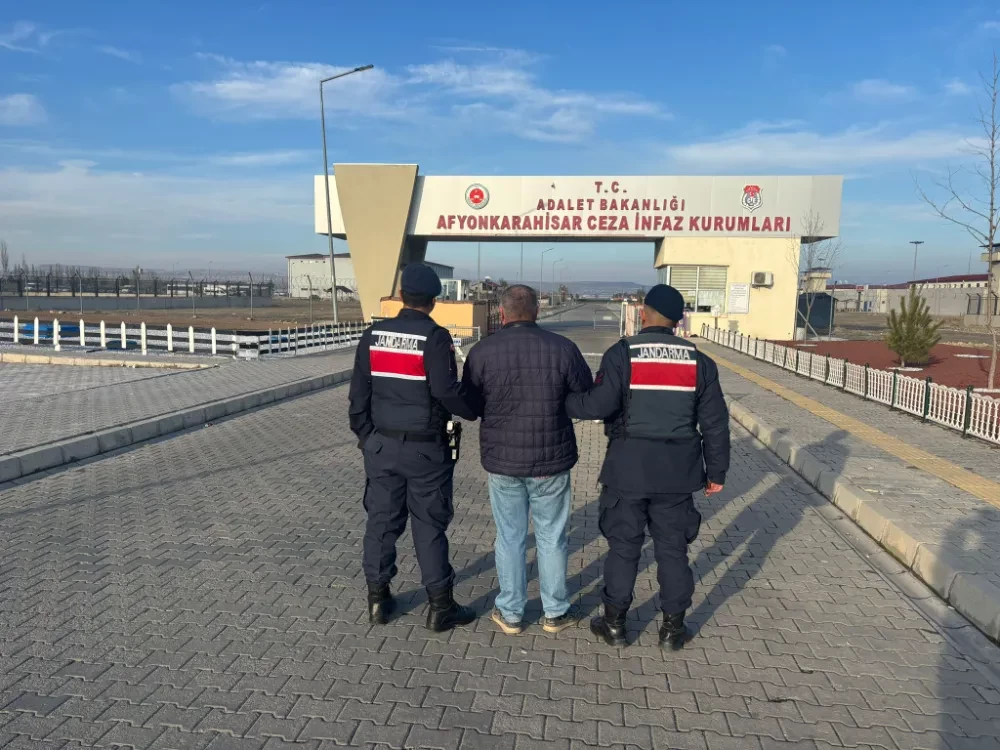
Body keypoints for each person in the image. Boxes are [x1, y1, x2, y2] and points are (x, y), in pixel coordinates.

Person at [565, 284, 730, 650]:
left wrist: (565, 402)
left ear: (644, 313)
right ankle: (672, 630)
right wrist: (716, 472)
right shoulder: (699, 362)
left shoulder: (623, 353)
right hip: (678, 474)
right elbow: (716, 423)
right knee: (673, 550)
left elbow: (598, 405)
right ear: (679, 320)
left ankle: (614, 625)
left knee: (624, 547)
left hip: (628, 470)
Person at [348, 263, 479, 632]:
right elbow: (445, 391)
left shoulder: (373, 336)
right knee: (428, 525)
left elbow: (358, 397)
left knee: (381, 522)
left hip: (381, 447)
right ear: (434, 301)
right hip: (426, 451)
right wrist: (473, 409)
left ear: (402, 296)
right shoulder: (434, 338)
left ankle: (378, 600)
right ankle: (440, 606)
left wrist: (366, 438)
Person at [461, 285, 594, 635]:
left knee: (510, 537)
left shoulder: (483, 350)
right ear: (536, 311)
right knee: (552, 537)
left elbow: (471, 404)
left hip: (503, 461)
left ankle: (511, 613)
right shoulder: (563, 348)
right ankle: (555, 612)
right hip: (551, 460)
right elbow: (584, 394)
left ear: (502, 314)